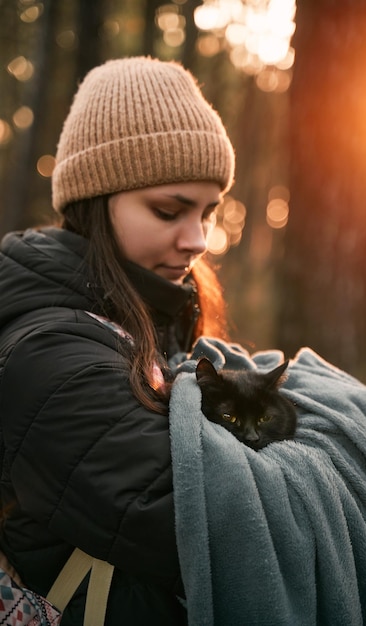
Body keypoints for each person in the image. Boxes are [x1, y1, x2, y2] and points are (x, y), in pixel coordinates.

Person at [0, 56, 234, 625]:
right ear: (95, 201)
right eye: (169, 210)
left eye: (208, 211)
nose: (198, 239)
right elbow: (204, 523)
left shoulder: (143, 316)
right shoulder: (50, 358)